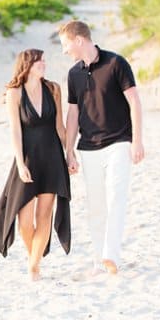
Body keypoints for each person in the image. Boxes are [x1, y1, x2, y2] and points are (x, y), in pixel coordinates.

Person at [58, 20, 145, 275]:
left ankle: (111, 255)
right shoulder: (73, 74)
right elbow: (73, 114)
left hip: (119, 142)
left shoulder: (116, 63)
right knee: (96, 205)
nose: (64, 51)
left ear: (79, 40)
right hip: (88, 147)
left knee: (116, 196)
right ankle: (99, 258)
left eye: (65, 45)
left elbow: (135, 102)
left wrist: (137, 140)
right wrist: (69, 149)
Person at [0, 48, 77, 281]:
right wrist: (19, 162)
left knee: (45, 214)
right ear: (27, 64)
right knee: (25, 222)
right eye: (40, 61)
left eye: (44, 61)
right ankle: (34, 257)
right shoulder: (14, 93)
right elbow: (15, 131)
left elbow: (60, 127)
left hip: (52, 157)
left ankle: (33, 267)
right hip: (27, 158)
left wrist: (70, 154)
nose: (44, 64)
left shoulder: (53, 89)